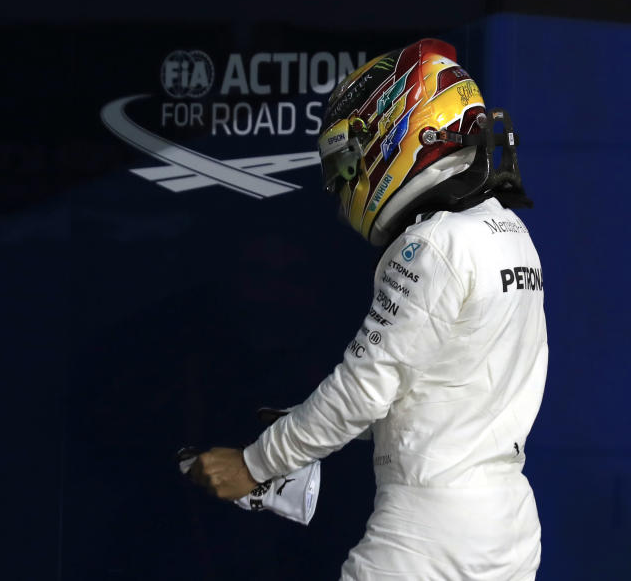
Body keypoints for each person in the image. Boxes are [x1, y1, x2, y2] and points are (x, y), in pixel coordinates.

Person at [189, 38, 548, 580]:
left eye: (348, 158)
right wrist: (305, 423)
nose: (344, 181)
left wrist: (254, 464)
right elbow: (441, 383)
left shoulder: (431, 245)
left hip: (428, 532)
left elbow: (365, 389)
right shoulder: (509, 232)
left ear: (404, 134)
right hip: (510, 528)